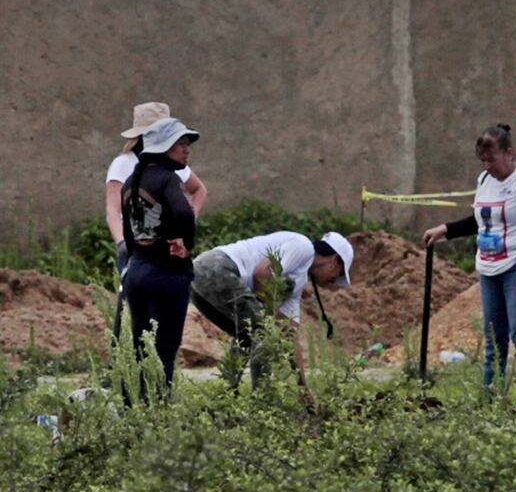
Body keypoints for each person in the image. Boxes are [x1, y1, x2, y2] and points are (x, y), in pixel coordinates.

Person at [422, 124, 516, 412]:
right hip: (489, 268)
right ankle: (490, 398)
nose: (487, 166)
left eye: (492, 160)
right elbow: (481, 218)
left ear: (509, 153)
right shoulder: (484, 180)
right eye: (483, 161)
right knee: (494, 336)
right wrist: (445, 229)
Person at [190, 231, 353, 391]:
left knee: (247, 335)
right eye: (337, 276)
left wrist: (303, 390)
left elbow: (290, 334)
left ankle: (223, 395)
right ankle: (262, 398)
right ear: (334, 260)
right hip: (217, 269)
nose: (333, 282)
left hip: (198, 282)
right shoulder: (303, 247)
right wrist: (270, 313)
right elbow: (262, 274)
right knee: (265, 334)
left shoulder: (298, 281)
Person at [120, 117, 201, 394]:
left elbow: (128, 234)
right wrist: (186, 243)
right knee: (163, 352)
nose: (186, 149)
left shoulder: (130, 183)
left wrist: (138, 258)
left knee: (140, 349)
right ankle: (158, 415)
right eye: (180, 143)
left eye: (187, 143)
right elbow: (184, 213)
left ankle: (134, 412)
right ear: (164, 147)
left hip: (137, 274)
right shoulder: (167, 179)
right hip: (166, 276)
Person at [107, 102, 207, 274]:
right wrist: (122, 243)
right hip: (139, 248)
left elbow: (199, 190)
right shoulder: (124, 163)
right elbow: (113, 210)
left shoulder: (175, 166)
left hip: (170, 248)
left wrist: (188, 223)